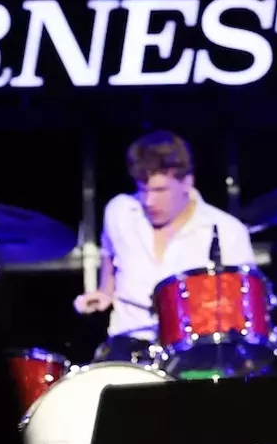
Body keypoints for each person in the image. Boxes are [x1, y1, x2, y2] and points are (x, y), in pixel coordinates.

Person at [73, 130, 254, 361]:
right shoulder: (119, 211)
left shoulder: (228, 231)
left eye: (160, 191)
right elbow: (109, 258)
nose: (149, 201)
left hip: (194, 353)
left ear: (187, 182)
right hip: (127, 351)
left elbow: (241, 312)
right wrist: (104, 291)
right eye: (143, 189)